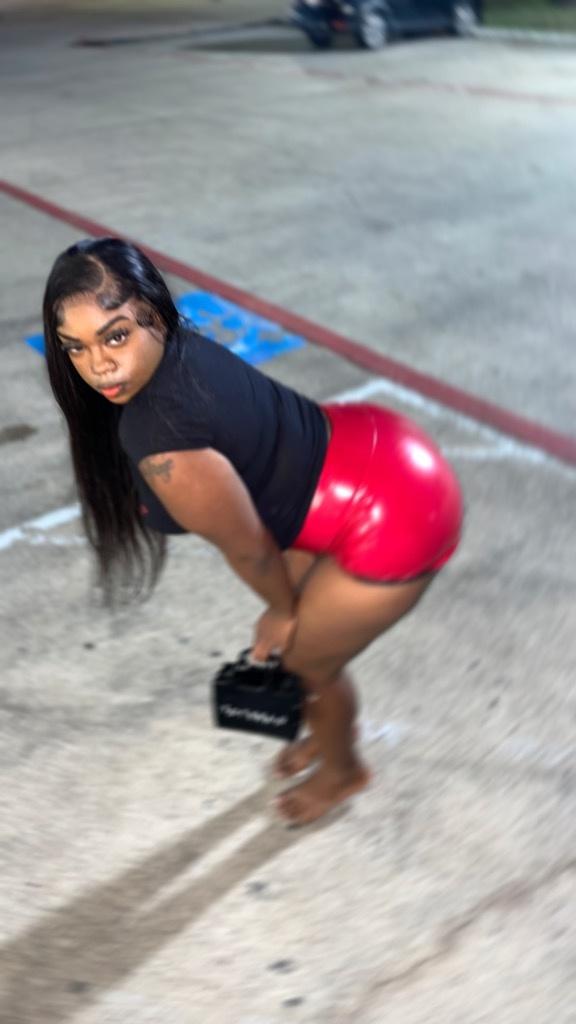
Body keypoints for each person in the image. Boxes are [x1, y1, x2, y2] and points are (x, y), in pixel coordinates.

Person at [43, 237, 463, 826]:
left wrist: (281, 610)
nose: (99, 367)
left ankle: (343, 772)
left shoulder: (162, 444)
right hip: (370, 446)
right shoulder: (180, 347)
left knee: (307, 664)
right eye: (77, 348)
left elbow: (249, 547)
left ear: (155, 314)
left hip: (394, 511)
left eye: (115, 336)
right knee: (303, 652)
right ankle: (329, 731)